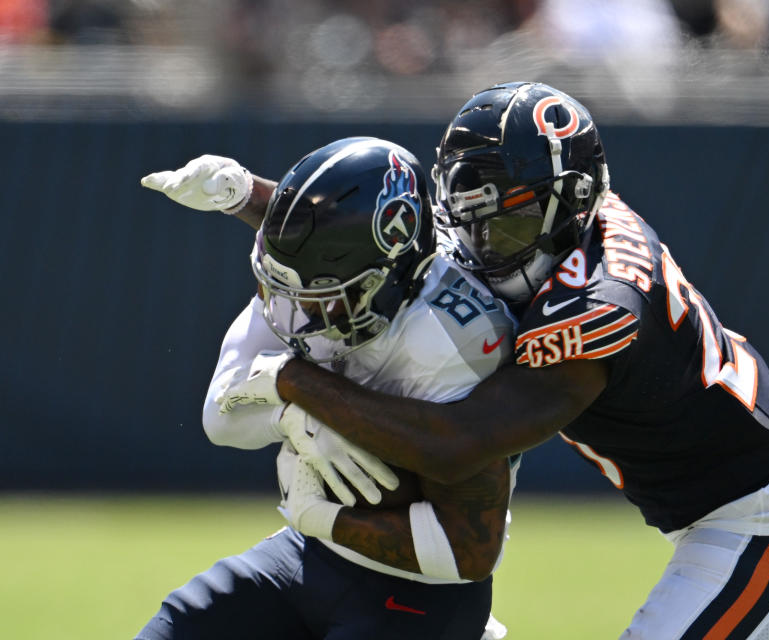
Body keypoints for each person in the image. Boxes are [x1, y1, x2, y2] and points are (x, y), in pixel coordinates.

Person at [176, 82, 769, 639]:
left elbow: (458, 445)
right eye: (466, 218)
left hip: (762, 521)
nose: (477, 244)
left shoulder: (600, 303)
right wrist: (250, 197)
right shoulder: (545, 225)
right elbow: (382, 241)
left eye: (504, 226)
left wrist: (296, 382)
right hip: (724, 511)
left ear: (571, 205)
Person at [137, 138, 516, 640]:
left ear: (385, 278)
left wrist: (322, 515)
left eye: (321, 296)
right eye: (291, 292)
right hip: (305, 556)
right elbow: (221, 416)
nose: (295, 314)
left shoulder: (456, 343)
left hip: (422, 594)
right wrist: (291, 416)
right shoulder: (307, 281)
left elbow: (467, 551)